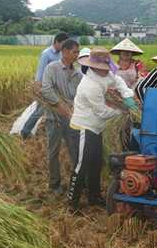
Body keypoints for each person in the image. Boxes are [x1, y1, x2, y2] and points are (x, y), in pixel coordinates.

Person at [67, 47, 137, 215]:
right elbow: (102, 112)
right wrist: (121, 111)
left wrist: (127, 95)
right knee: (81, 165)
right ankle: (73, 202)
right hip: (84, 127)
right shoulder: (90, 85)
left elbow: (118, 81)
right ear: (94, 67)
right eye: (104, 68)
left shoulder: (105, 74)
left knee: (96, 163)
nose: (107, 71)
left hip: (96, 127)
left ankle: (94, 196)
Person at [41, 38, 82, 195]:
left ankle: (76, 181)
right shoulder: (52, 69)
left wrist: (73, 108)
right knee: (53, 150)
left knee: (75, 150)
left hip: (72, 119)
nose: (77, 55)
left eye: (78, 52)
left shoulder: (78, 73)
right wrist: (60, 106)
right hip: (54, 118)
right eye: (74, 52)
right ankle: (55, 183)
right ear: (65, 51)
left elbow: (81, 94)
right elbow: (46, 89)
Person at [20, 32, 70, 139]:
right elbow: (40, 73)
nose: (64, 47)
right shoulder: (46, 54)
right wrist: (40, 90)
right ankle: (25, 131)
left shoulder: (61, 54)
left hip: (56, 89)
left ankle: (57, 133)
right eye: (62, 44)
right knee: (40, 111)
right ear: (56, 42)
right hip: (46, 88)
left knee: (56, 112)